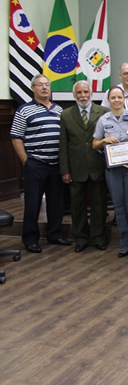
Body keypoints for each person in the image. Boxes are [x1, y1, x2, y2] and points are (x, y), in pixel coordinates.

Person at [10, 74, 70, 253]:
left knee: (56, 203)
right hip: (35, 163)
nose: (44, 88)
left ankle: (55, 234)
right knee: (33, 204)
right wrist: (26, 161)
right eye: (40, 85)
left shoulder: (59, 109)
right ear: (33, 88)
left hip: (56, 164)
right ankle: (30, 239)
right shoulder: (24, 110)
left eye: (47, 85)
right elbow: (16, 137)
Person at [93, 86, 128, 258]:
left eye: (119, 97)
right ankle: (124, 245)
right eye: (113, 97)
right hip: (113, 170)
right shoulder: (103, 120)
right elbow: (94, 144)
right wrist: (104, 140)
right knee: (119, 206)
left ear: (124, 99)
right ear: (108, 100)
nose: (116, 100)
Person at [59, 81, 110, 252]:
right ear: (74, 95)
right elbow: (63, 145)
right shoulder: (66, 115)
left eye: (86, 92)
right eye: (79, 93)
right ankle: (80, 238)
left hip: (98, 165)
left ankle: (98, 237)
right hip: (76, 167)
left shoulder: (103, 112)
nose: (83, 96)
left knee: (99, 204)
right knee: (77, 205)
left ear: (91, 93)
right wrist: (65, 170)